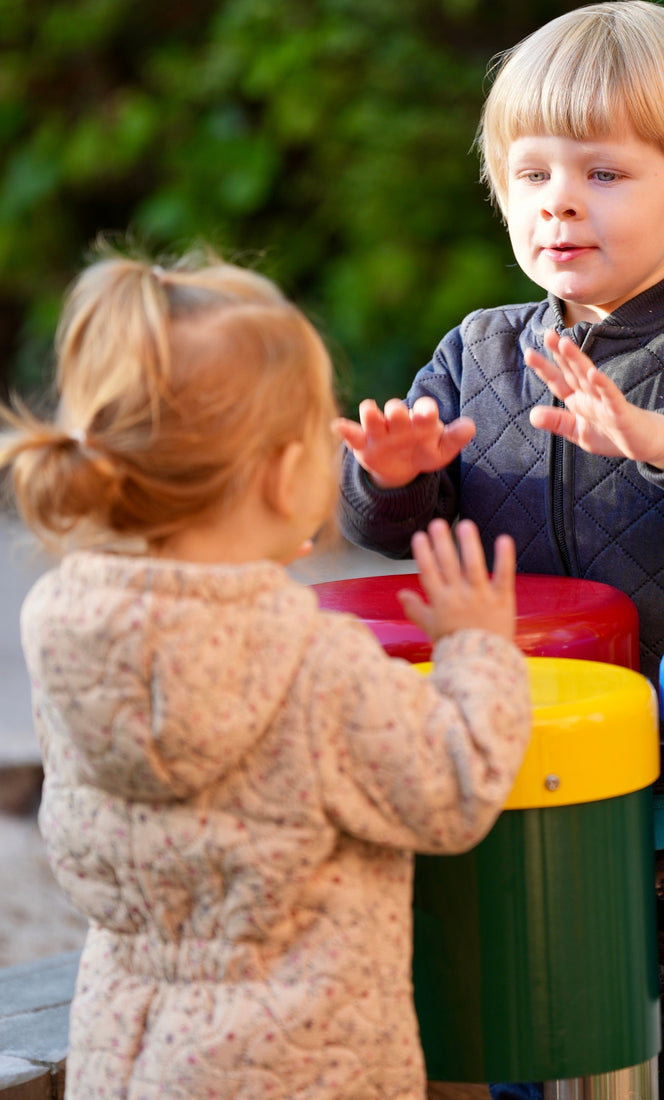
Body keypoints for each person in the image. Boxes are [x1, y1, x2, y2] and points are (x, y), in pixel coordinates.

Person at [335, 3, 664, 1096]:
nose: (558, 199)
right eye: (531, 174)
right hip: (535, 764)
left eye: (603, 173)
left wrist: (662, 437)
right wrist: (392, 478)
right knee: (538, 1016)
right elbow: (398, 534)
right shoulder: (476, 351)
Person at [5, 249, 532, 1100]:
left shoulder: (62, 623)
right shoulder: (311, 661)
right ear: (288, 477)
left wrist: (244, 561)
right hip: (303, 1063)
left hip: (126, 1050)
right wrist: (477, 648)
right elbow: (451, 789)